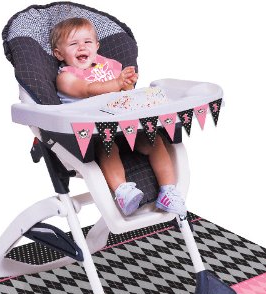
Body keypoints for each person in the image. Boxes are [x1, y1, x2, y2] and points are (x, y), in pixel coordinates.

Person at [50, 17, 186, 216]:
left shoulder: (109, 68)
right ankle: (123, 191)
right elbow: (88, 89)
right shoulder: (66, 77)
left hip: (125, 126)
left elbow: (125, 95)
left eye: (87, 42)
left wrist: (127, 84)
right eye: (73, 44)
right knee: (107, 148)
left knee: (155, 140)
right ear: (59, 54)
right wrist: (117, 83)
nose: (82, 47)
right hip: (93, 134)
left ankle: (168, 191)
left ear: (97, 46)